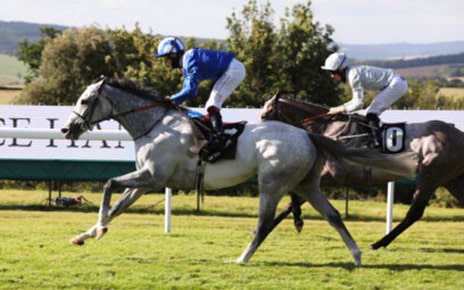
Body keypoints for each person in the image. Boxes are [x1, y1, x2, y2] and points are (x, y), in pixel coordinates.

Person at [154, 36, 246, 152]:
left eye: (165, 58)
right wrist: (174, 100)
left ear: (173, 54)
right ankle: (217, 133)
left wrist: (171, 100)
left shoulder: (190, 59)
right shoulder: (187, 61)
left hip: (234, 70)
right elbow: (186, 90)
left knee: (212, 103)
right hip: (233, 69)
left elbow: (191, 91)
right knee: (212, 103)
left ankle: (219, 138)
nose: (165, 63)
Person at [321, 52, 408, 146]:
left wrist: (338, 109)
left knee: (371, 113)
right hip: (395, 83)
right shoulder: (352, 73)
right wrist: (339, 108)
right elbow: (356, 102)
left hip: (396, 84)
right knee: (367, 114)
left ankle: (378, 143)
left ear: (341, 70)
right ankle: (376, 139)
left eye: (332, 72)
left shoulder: (353, 76)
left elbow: (358, 104)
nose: (332, 76)